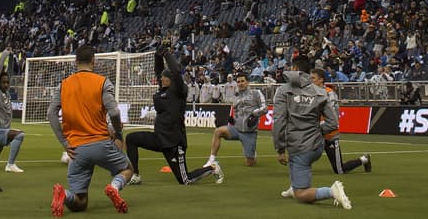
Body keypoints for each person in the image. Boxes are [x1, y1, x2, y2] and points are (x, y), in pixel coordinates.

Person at [48, 45, 133, 216]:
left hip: (76, 150)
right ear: (93, 61)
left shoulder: (63, 85)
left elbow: (51, 113)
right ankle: (114, 187)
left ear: (75, 61)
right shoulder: (102, 82)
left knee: (80, 202)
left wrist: (65, 143)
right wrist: (117, 134)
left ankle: (64, 194)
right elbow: (115, 112)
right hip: (100, 143)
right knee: (128, 169)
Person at [125, 43, 220, 186]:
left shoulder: (178, 91)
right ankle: (135, 175)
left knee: (185, 180)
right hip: (159, 138)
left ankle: (212, 168)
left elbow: (176, 71)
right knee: (131, 138)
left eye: (164, 77)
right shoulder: (162, 89)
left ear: (171, 80)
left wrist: (166, 54)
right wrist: (158, 56)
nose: (161, 79)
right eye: (161, 78)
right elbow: (158, 71)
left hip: (174, 143)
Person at [272, 56, 350, 208]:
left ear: (294, 69)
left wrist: (280, 148)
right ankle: (294, 186)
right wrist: (317, 131)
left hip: (298, 146)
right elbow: (333, 123)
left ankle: (331, 191)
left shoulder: (283, 91)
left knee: (301, 194)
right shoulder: (321, 92)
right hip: (316, 145)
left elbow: (279, 122)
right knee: (299, 165)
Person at [310, 68, 372, 179]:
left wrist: (319, 125)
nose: (311, 80)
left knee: (339, 170)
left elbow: (333, 115)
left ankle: (364, 159)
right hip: (316, 133)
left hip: (330, 134)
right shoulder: (310, 93)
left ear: (321, 80)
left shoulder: (329, 94)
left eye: (313, 78)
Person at [206, 71, 266, 169]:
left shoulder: (256, 93)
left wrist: (254, 114)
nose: (240, 83)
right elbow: (236, 114)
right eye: (238, 82)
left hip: (249, 132)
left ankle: (252, 153)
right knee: (218, 131)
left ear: (247, 82)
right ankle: (211, 160)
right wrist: (232, 120)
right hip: (237, 130)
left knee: (250, 164)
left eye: (242, 81)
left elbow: (265, 109)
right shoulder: (236, 97)